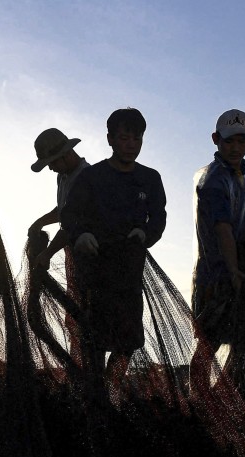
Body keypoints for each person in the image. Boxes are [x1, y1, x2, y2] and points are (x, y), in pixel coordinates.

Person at [61, 107, 167, 385]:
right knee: (93, 341)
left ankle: (112, 390)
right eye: (124, 138)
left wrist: (145, 233)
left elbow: (159, 218)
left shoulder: (151, 179)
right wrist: (81, 235)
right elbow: (70, 216)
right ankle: (95, 394)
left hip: (129, 276)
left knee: (127, 343)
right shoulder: (91, 178)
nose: (131, 145)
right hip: (94, 277)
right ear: (109, 139)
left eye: (137, 139)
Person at [190, 109, 245, 383]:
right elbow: (222, 228)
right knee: (208, 344)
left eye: (241, 141)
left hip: (242, 275)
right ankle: (198, 399)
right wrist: (233, 270)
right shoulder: (213, 180)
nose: (236, 148)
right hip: (216, 277)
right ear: (216, 140)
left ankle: (224, 399)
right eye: (229, 142)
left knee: (242, 342)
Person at [28, 127, 89, 269]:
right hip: (75, 255)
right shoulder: (62, 176)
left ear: (67, 154)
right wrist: (40, 222)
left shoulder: (86, 178)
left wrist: (47, 253)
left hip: (93, 257)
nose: (50, 168)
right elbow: (64, 211)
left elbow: (73, 223)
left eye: (52, 162)